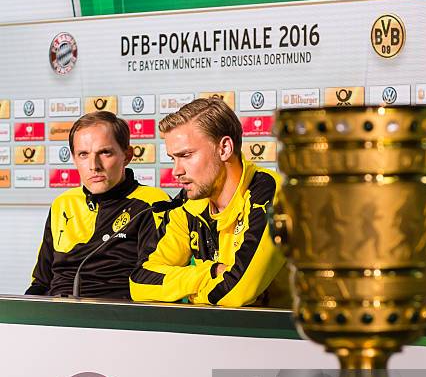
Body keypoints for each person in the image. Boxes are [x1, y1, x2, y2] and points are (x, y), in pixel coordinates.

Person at [130, 98, 288, 307]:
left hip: (290, 335)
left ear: (224, 148)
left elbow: (237, 293)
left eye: (186, 155)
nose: (177, 171)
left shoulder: (268, 191)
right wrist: (211, 272)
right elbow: (140, 283)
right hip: (219, 333)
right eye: (172, 159)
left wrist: (183, 290)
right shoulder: (188, 203)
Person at [26, 111, 170, 299]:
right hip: (57, 314)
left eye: (105, 152)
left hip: (118, 317)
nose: (94, 165)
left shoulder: (152, 204)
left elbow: (154, 283)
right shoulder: (63, 203)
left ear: (127, 156)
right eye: (83, 154)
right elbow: (41, 281)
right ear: (74, 158)